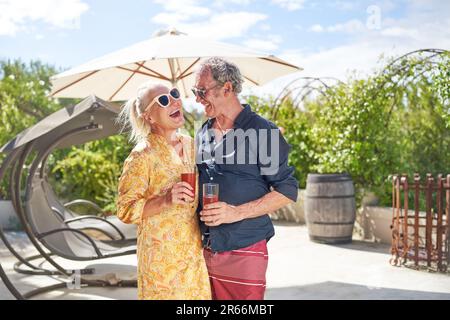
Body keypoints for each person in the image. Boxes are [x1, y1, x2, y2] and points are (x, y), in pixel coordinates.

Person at [193, 57, 298, 300]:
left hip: (244, 248)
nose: (197, 98)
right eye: (194, 91)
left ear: (227, 88)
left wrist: (236, 212)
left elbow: (287, 190)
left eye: (201, 91)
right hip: (204, 249)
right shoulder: (203, 132)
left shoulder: (263, 131)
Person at [116, 82, 211, 300]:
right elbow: (124, 210)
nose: (174, 100)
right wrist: (165, 200)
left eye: (174, 94)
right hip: (160, 263)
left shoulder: (192, 145)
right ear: (149, 117)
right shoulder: (141, 156)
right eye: (164, 100)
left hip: (192, 255)